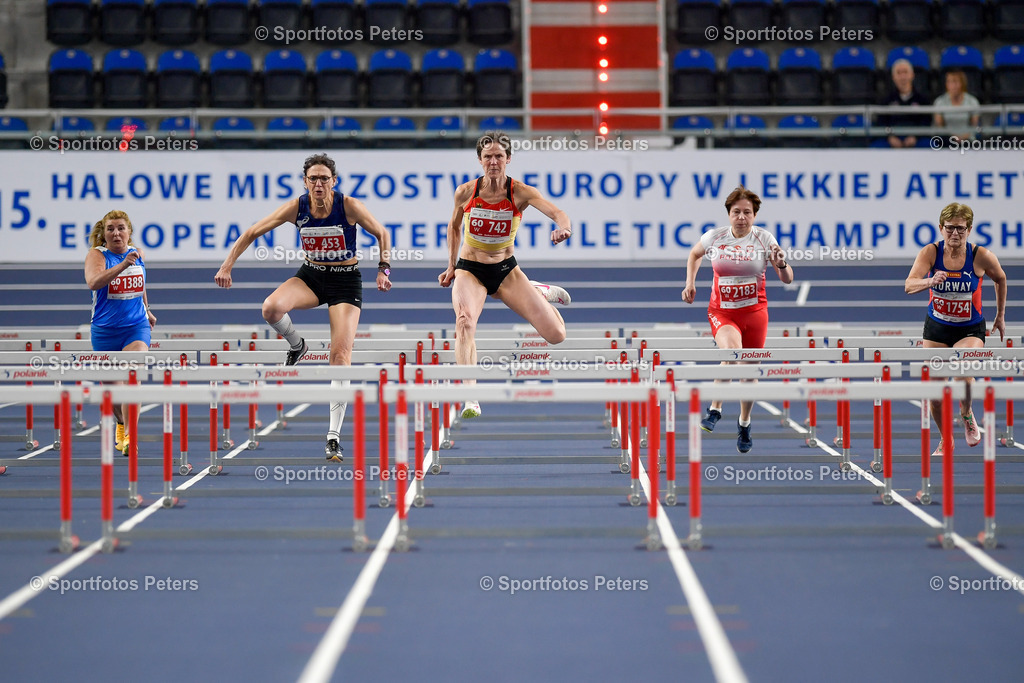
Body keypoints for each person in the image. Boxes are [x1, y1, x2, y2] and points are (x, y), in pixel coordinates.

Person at [215, 153, 393, 462]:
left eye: (325, 178)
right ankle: (297, 345)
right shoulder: (296, 207)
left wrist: (383, 269)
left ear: (333, 181)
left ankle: (333, 437)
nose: (320, 183)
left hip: (345, 281)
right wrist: (227, 265)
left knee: (340, 356)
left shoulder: (348, 205)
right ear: (305, 181)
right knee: (270, 308)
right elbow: (252, 232)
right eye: (314, 178)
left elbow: (381, 232)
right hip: (311, 276)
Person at [438, 131, 572, 419]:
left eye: (499, 156)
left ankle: (537, 291)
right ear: (480, 160)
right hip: (470, 269)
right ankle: (470, 396)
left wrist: (564, 227)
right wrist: (451, 266)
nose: (493, 161)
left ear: (508, 159)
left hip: (505, 270)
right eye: (488, 157)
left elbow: (557, 211)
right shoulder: (465, 192)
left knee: (557, 335)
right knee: (464, 322)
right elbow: (453, 227)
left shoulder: (520, 192)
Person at [681, 187, 793, 453]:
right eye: (736, 212)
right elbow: (694, 255)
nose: (741, 217)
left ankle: (744, 423)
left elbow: (788, 279)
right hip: (722, 311)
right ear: (728, 214)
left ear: (754, 215)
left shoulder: (765, 239)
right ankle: (715, 409)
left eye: (747, 213)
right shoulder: (715, 237)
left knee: (749, 370)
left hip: (754, 313)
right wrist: (690, 283)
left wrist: (780, 264)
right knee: (732, 354)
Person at [905, 202, 1007, 455]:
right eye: (950, 228)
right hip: (937, 328)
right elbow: (909, 285)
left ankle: (965, 412)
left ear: (969, 230)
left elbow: (1000, 278)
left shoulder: (980, 255)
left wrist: (1000, 316)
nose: (955, 234)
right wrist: (930, 281)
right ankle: (945, 438)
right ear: (941, 228)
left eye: (961, 229)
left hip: (969, 328)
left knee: (963, 374)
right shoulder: (930, 253)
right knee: (935, 394)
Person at [84, 210, 157, 456]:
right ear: (103, 234)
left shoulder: (138, 254)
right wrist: (123, 264)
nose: (116, 233)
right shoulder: (97, 255)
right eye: (111, 229)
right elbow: (93, 283)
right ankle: (121, 423)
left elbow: (141, 282)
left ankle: (130, 437)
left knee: (132, 379)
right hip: (105, 332)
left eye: (121, 228)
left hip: (135, 327)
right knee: (114, 391)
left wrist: (147, 309)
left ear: (129, 232)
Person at [878, 59, 931, 148]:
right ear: (893, 77)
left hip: (917, 138)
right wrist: (890, 137)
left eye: (905, 72)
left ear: (912, 75)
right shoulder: (886, 100)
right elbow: (881, 122)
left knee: (930, 144)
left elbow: (926, 121)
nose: (903, 77)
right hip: (892, 137)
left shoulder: (923, 100)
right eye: (898, 73)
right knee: (877, 146)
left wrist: (915, 136)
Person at [933, 70, 980, 141]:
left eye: (955, 82)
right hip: (947, 139)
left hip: (967, 138)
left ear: (962, 84)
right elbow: (940, 127)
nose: (952, 85)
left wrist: (964, 137)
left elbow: (974, 126)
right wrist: (954, 138)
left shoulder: (972, 101)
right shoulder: (940, 102)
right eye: (949, 82)